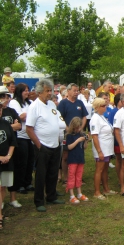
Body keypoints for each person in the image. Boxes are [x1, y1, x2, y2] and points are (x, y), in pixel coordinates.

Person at [26, 79, 65, 212]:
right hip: (42, 146)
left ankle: (51, 195)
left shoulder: (52, 105)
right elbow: (29, 129)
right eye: (47, 91)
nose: (50, 93)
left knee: (53, 173)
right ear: (39, 92)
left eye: (51, 90)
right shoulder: (34, 107)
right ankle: (39, 200)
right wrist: (39, 145)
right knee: (41, 174)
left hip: (55, 144)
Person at [57, 83, 88, 186]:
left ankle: (79, 177)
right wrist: (69, 129)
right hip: (67, 133)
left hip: (79, 132)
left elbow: (84, 116)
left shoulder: (80, 102)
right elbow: (59, 118)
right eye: (74, 90)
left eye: (77, 90)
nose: (76, 92)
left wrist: (81, 128)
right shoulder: (63, 103)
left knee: (79, 153)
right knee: (66, 155)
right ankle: (66, 178)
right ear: (68, 91)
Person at [9, 83, 35, 195]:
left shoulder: (29, 103)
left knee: (30, 160)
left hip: (30, 136)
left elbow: (31, 116)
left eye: (28, 90)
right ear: (20, 91)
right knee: (21, 162)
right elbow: (20, 117)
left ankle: (27, 182)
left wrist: (28, 115)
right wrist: (29, 115)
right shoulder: (14, 102)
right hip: (20, 136)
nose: (27, 92)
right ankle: (19, 184)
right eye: (25, 90)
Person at [90, 98, 117, 200]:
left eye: (105, 105)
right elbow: (95, 136)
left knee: (105, 169)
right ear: (97, 107)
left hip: (107, 148)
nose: (105, 107)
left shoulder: (102, 117)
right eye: (102, 106)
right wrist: (99, 151)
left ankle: (106, 189)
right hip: (101, 148)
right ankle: (97, 192)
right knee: (99, 169)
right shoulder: (95, 119)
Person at [0, 86, 21, 208]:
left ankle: (12, 198)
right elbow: (14, 126)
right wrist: (11, 127)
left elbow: (18, 126)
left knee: (12, 174)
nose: (6, 98)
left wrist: (9, 127)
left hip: (10, 150)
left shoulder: (11, 111)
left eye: (7, 96)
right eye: (3, 96)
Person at [0, 100, 17, 224]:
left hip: (7, 160)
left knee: (2, 187)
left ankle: (0, 211)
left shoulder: (5, 124)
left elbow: (12, 141)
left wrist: (8, 155)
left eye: (0, 109)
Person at [65, 117, 89, 204]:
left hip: (80, 158)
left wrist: (86, 141)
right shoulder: (69, 136)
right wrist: (78, 141)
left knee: (79, 176)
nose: (78, 129)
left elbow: (84, 147)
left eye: (80, 127)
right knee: (72, 176)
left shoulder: (81, 134)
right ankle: (71, 195)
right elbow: (69, 147)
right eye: (77, 128)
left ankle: (79, 193)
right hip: (72, 159)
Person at [108, 93, 122, 185]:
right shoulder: (113, 112)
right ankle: (119, 177)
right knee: (119, 159)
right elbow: (111, 126)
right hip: (117, 140)